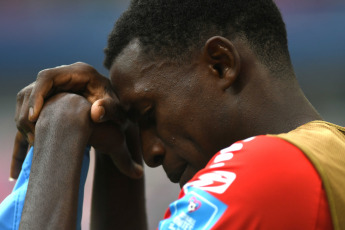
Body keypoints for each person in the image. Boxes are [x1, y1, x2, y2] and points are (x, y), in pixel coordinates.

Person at [2, 0, 345, 229]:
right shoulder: (327, 158)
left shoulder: (265, 168)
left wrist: (61, 124)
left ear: (220, 64)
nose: (150, 153)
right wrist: (116, 158)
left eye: (148, 115)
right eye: (137, 128)